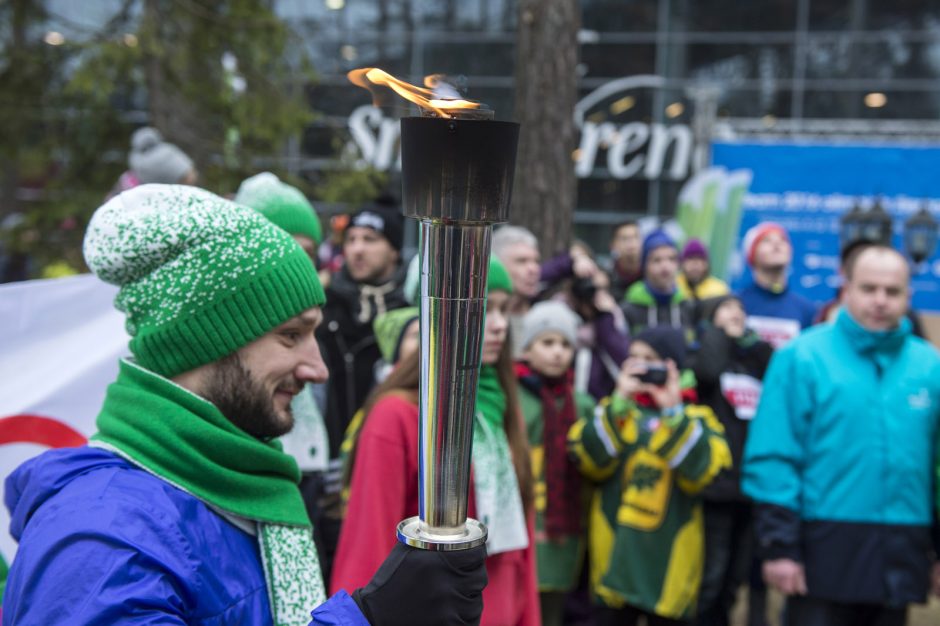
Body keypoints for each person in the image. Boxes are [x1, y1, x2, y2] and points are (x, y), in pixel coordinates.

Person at [1, 185, 486, 625]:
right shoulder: (104, 538)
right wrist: (368, 619)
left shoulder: (233, 489)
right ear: (206, 341)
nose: (317, 368)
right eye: (291, 335)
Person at [333, 258, 541, 626]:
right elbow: (368, 542)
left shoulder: (502, 406)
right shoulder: (395, 414)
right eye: (484, 309)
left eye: (504, 310)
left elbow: (519, 551)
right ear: (438, 316)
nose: (498, 326)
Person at [742, 244, 940, 626]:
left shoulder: (929, 366)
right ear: (845, 288)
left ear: (908, 296)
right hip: (823, 546)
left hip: (902, 546)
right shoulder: (801, 358)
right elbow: (774, 455)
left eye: (892, 291)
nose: (880, 300)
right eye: (868, 289)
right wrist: (779, 546)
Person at [568, 327, 731, 625]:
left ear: (672, 366)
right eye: (635, 358)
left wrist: (672, 412)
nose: (641, 367)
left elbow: (703, 472)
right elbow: (586, 460)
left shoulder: (697, 419)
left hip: (668, 569)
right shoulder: (616, 411)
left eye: (650, 360)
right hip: (615, 562)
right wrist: (618, 403)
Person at [315, 200, 410, 578]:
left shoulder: (411, 311)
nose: (356, 248)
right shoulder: (325, 310)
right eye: (351, 238)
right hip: (328, 476)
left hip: (387, 472)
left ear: (393, 248)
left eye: (370, 239)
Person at [689, 296, 773, 626]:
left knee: (734, 579)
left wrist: (750, 342)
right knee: (710, 575)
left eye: (740, 309)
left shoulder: (753, 360)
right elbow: (706, 371)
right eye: (726, 309)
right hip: (716, 488)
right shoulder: (707, 354)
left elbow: (776, 372)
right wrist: (716, 332)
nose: (736, 313)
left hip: (751, 487)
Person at [515, 301, 595, 626]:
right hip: (522, 523)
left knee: (552, 612)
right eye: (547, 343)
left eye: (565, 344)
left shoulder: (582, 404)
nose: (558, 352)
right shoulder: (514, 398)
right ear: (528, 348)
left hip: (564, 529)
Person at [735, 222, 815, 348]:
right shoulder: (737, 304)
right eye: (766, 240)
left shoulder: (807, 310)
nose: (777, 244)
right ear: (752, 254)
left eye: (783, 240)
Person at [621, 229, 695, 337]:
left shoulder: (688, 307)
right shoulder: (628, 309)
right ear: (644, 265)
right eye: (657, 260)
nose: (665, 267)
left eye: (671, 259)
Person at [607, 220, 643, 301]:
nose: (631, 242)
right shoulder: (607, 277)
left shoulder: (652, 276)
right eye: (624, 238)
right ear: (613, 245)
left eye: (636, 237)